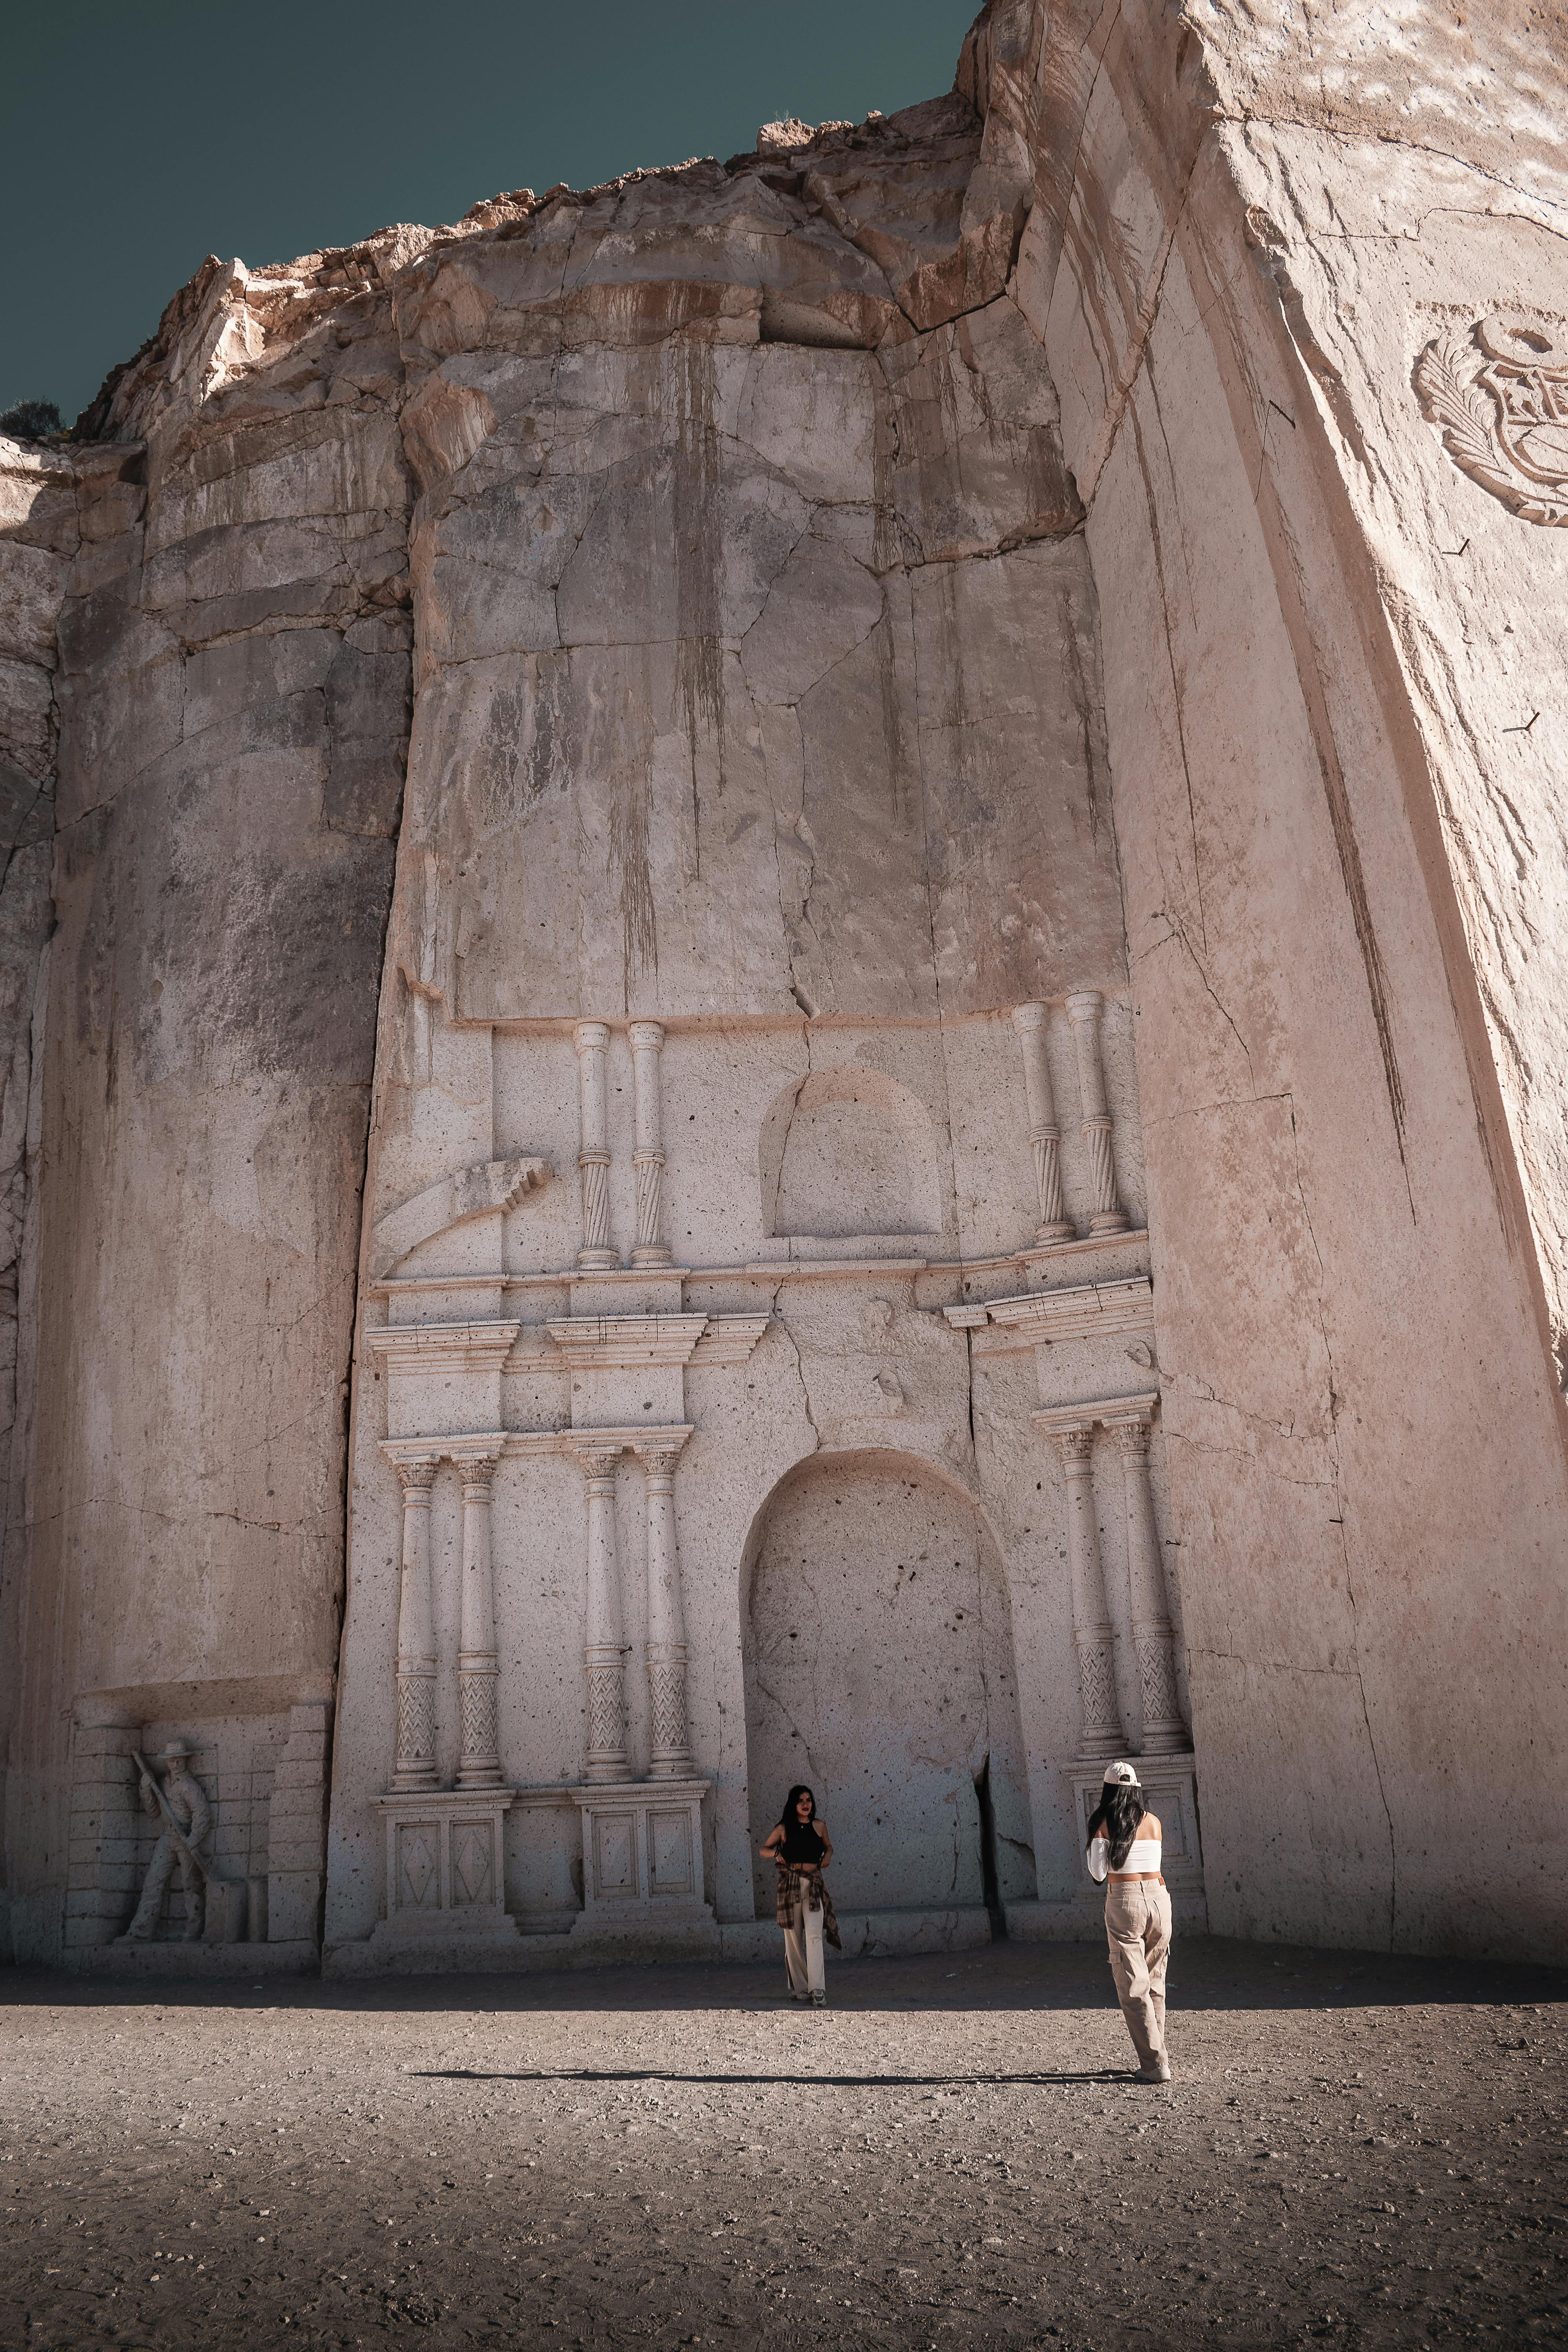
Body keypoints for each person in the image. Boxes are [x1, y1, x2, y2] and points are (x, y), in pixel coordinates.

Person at [1085, 1759, 1171, 2082]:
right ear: (1135, 1788)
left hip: (1125, 1899)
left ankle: (1154, 2064)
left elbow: (1098, 1873)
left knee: (1133, 1985)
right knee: (1155, 1981)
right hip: (1160, 1897)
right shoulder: (1154, 1821)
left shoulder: (1104, 1823)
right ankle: (1157, 2057)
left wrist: (1096, 1834)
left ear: (1107, 1791)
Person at [761, 1783, 839, 2005]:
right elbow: (763, 1849)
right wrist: (776, 1853)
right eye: (801, 1801)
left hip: (813, 1884)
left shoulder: (820, 1826)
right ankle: (800, 1987)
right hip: (791, 1885)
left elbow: (829, 1847)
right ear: (793, 1805)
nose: (806, 1805)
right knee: (793, 1939)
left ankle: (818, 1989)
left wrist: (828, 1856)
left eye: (809, 1800)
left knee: (814, 1935)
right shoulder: (784, 1828)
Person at [125, 1741, 212, 1942]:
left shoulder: (190, 1786)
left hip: (185, 1838)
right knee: (153, 1882)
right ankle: (141, 1931)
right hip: (167, 1837)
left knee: (191, 1885)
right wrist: (146, 1789)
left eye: (180, 1760)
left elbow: (203, 1813)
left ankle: (194, 1931)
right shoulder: (163, 1783)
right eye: (172, 1760)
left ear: (185, 1760)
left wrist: (193, 1839)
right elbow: (153, 1812)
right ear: (167, 1762)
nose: (176, 1764)